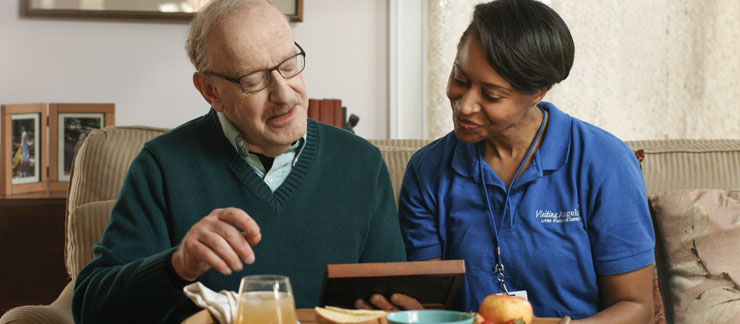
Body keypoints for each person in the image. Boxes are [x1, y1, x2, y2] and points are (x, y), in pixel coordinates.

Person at [71, 0, 407, 322]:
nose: (285, 94)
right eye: (254, 80)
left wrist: (404, 311)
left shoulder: (362, 164)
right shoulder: (161, 166)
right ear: (210, 91)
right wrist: (176, 267)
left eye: (289, 66)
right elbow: (91, 310)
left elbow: (389, 302)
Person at [397, 0, 655, 323]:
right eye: (460, 79)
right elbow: (430, 304)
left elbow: (636, 308)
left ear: (537, 93)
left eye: (491, 95)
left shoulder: (606, 164)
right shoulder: (427, 172)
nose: (465, 106)